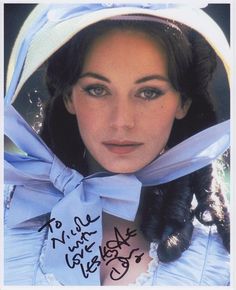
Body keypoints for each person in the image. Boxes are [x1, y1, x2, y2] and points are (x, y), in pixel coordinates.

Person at [4, 3, 230, 286]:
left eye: (148, 92)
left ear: (183, 101)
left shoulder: (220, 259)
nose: (121, 121)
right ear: (69, 97)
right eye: (97, 90)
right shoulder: (7, 214)